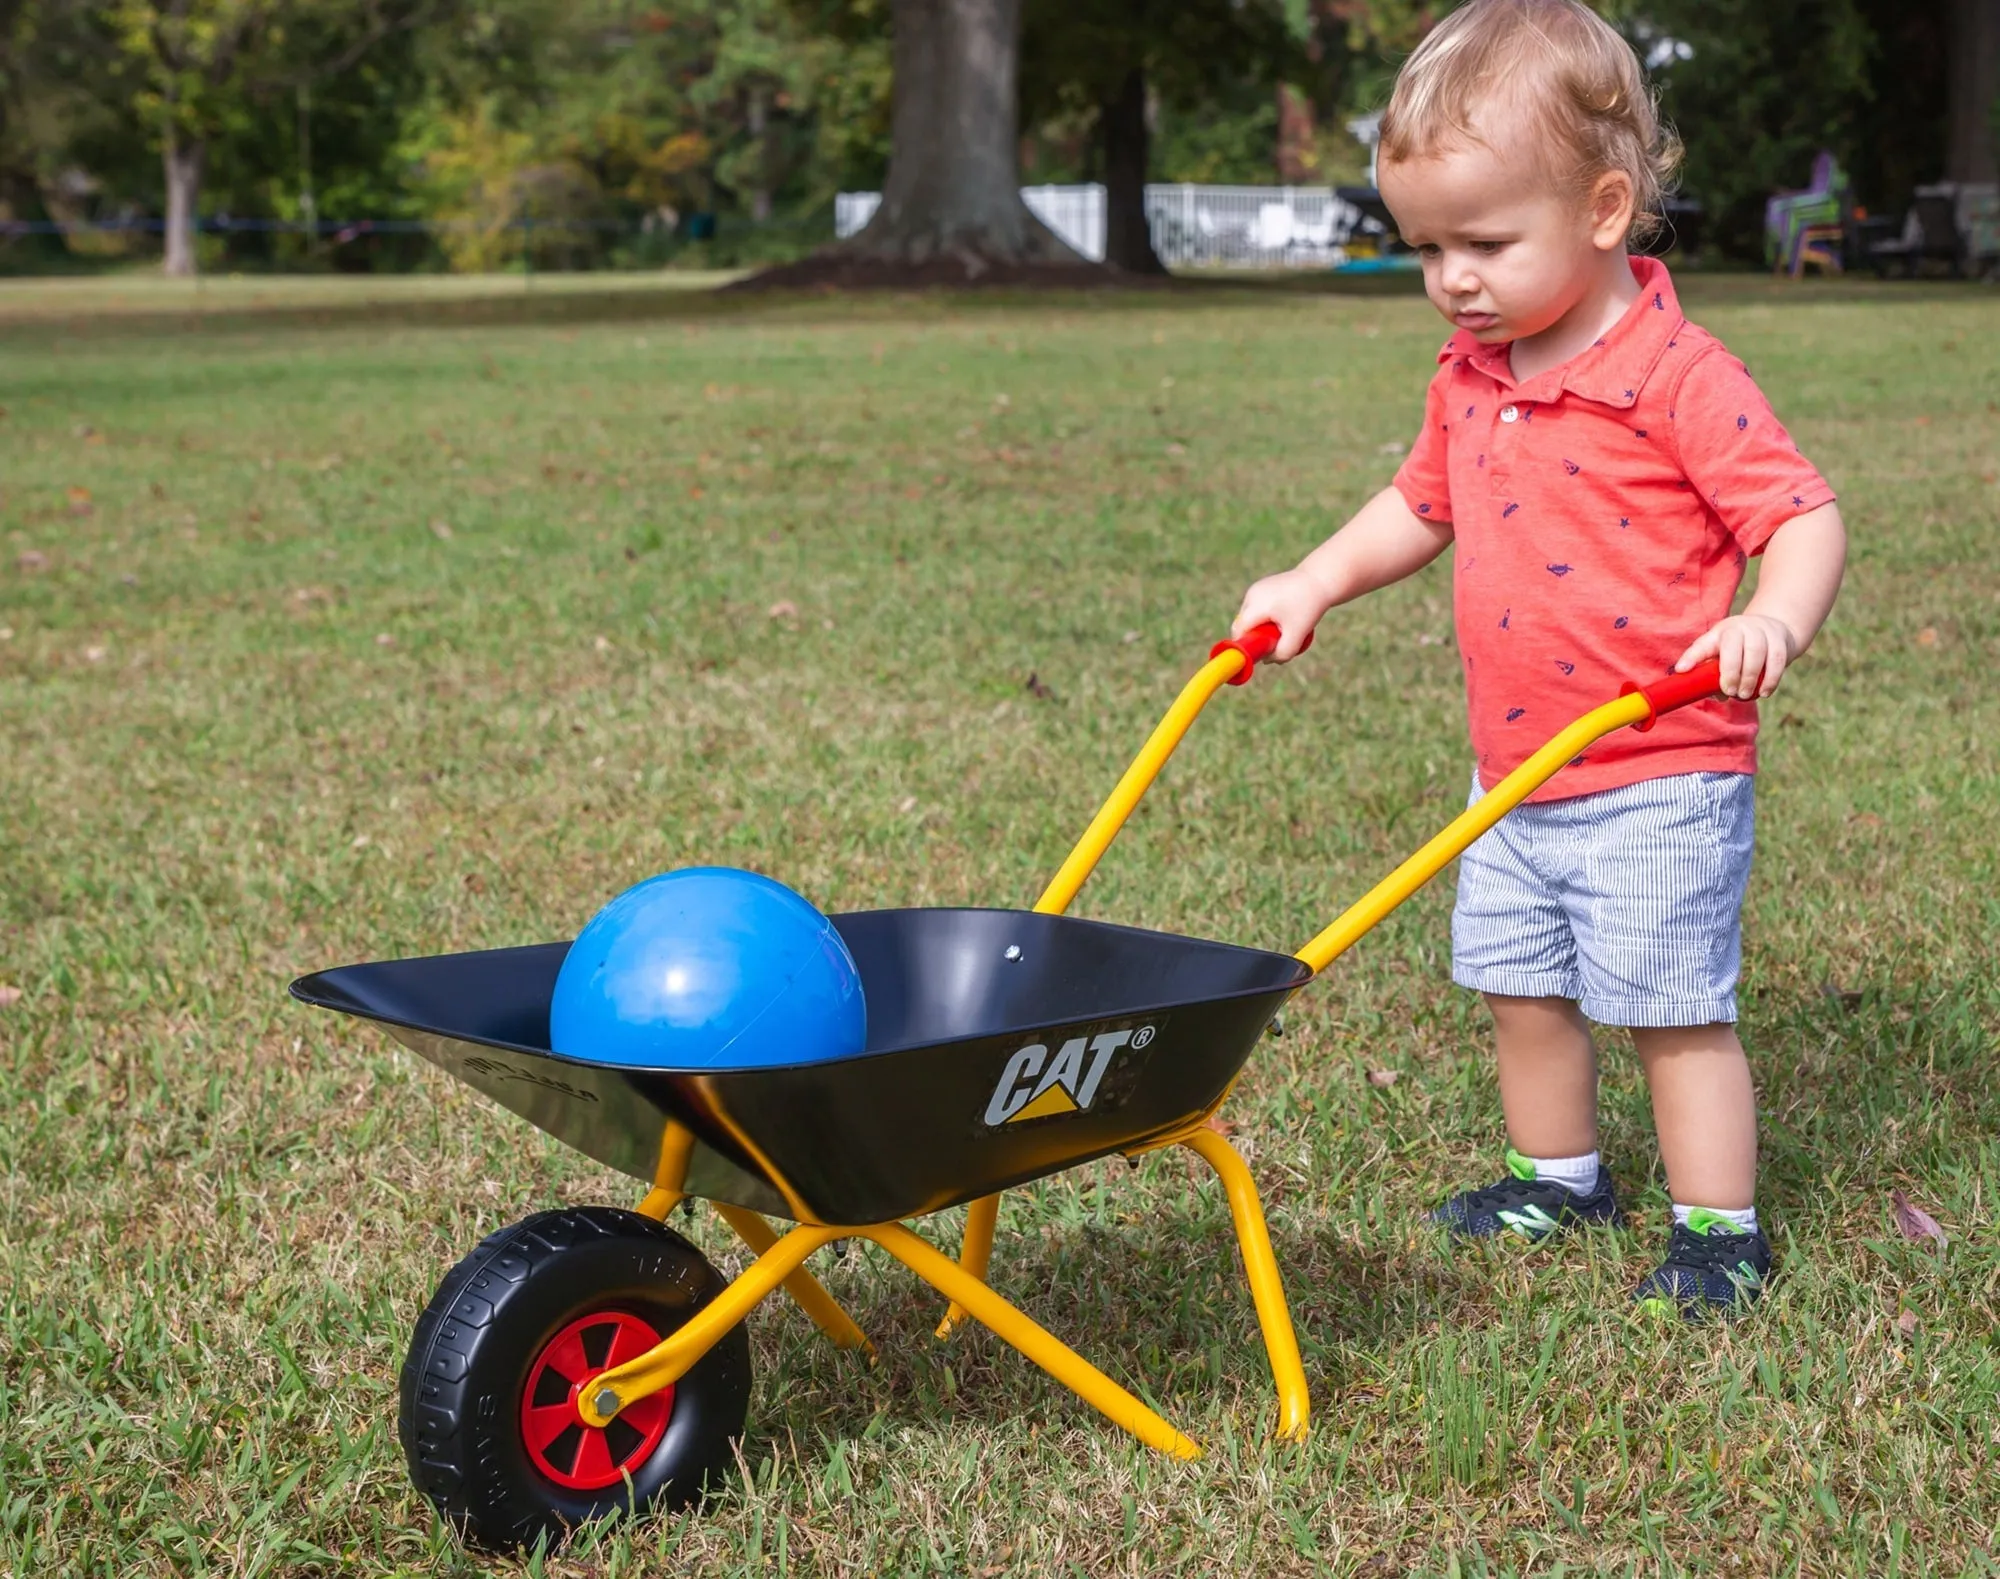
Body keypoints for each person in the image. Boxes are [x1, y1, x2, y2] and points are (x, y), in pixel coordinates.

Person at [1233, 0, 1846, 1318]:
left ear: (1607, 208)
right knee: (1521, 987)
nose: (1453, 277)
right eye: (1427, 248)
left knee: (1671, 1008)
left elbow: (1801, 517)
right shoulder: (1473, 370)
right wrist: (1314, 581)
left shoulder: (1678, 373)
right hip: (1514, 769)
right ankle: (1561, 1176)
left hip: (1658, 767)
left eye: (1487, 242)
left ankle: (1719, 1228)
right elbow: (1419, 505)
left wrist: (1770, 620)